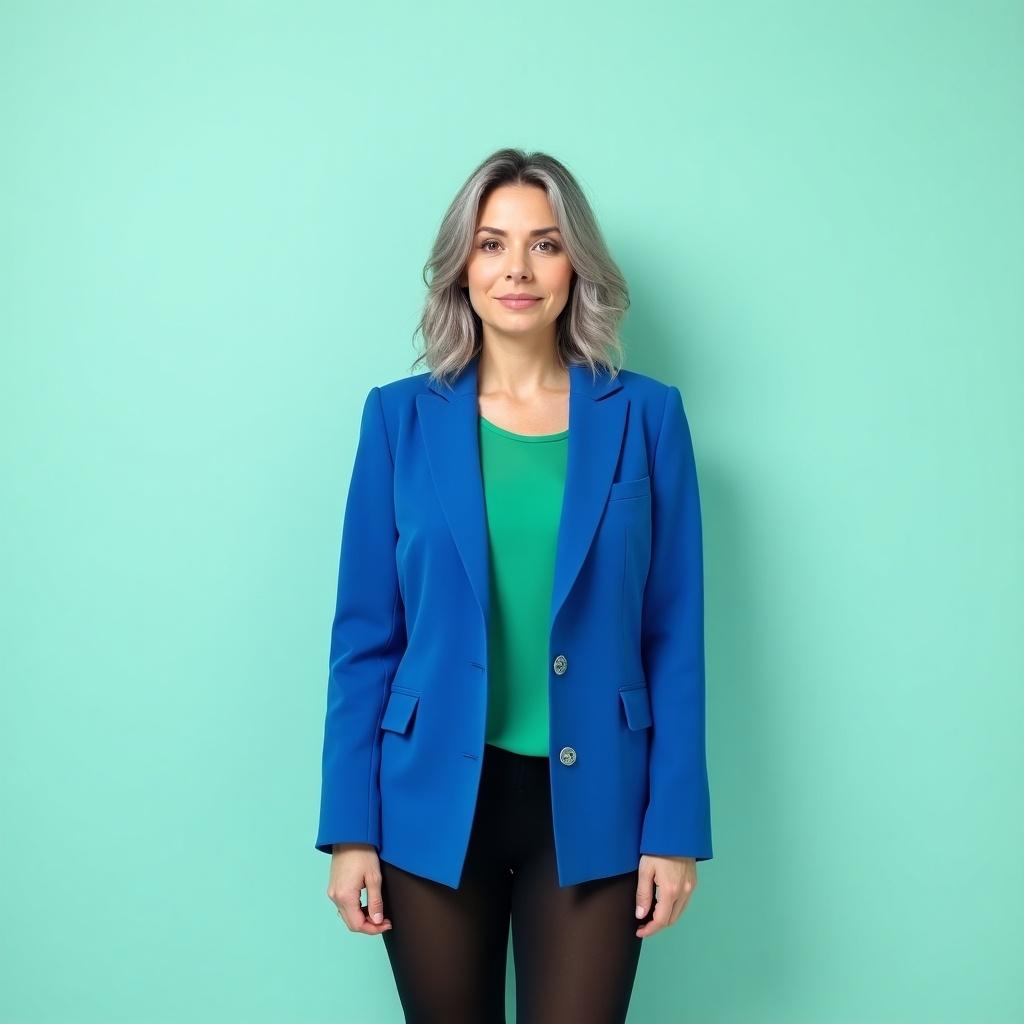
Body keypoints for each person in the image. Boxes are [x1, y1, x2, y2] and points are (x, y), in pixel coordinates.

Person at [315, 147, 713, 1023]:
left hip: (599, 802)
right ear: (464, 265)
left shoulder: (646, 417)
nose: (518, 270)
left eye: (545, 244)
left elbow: (674, 636)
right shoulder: (398, 418)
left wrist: (675, 829)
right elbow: (365, 637)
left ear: (578, 265)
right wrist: (350, 830)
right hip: (428, 802)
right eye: (493, 245)